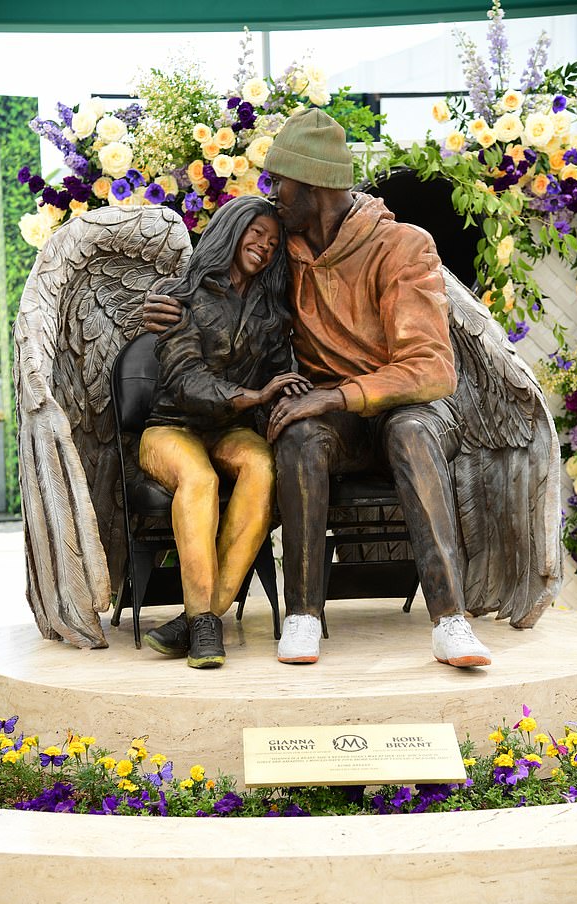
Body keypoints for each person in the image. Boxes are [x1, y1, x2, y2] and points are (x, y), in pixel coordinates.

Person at [144, 110, 492, 670]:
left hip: (412, 408)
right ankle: (301, 614)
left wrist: (334, 395)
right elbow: (224, 280)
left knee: (407, 432)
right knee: (299, 434)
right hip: (334, 423)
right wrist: (171, 304)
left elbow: (431, 368)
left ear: (313, 186)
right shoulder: (286, 252)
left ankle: (451, 620)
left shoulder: (402, 246)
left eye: (280, 184)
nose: (273, 195)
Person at [140, 195, 310, 669]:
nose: (265, 246)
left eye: (273, 242)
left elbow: (279, 375)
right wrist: (253, 396)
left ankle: (201, 620)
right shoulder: (183, 295)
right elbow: (185, 379)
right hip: (169, 426)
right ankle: (204, 624)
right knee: (200, 480)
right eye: (256, 233)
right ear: (232, 231)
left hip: (229, 429)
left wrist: (289, 397)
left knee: (262, 465)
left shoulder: (272, 314)